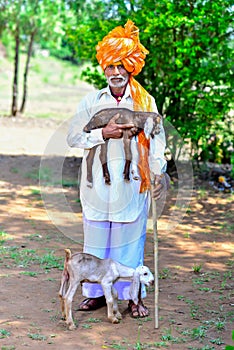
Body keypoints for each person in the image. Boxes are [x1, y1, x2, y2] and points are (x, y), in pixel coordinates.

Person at [67, 20, 168, 318]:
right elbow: (73, 137)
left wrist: (157, 171)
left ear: (131, 67)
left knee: (130, 242)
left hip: (131, 184)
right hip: (96, 184)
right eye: (110, 66)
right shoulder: (91, 101)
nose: (115, 72)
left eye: (121, 66)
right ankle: (96, 294)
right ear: (104, 68)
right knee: (96, 240)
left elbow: (157, 141)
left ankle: (133, 296)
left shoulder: (145, 101)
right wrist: (103, 134)